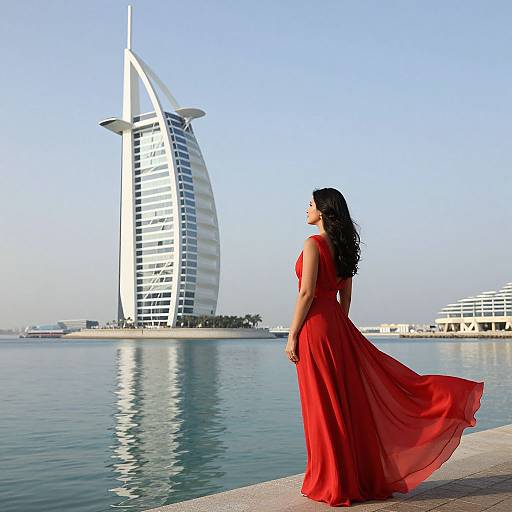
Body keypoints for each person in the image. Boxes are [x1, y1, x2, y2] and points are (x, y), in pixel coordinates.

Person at [285, 187, 484, 507]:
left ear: (322, 211)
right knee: (343, 402)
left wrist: (293, 334)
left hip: (315, 327)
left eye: (310, 204)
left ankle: (329, 479)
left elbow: (306, 293)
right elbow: (344, 298)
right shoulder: (344, 248)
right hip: (336, 326)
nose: (305, 209)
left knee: (322, 404)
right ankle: (344, 477)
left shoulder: (312, 244)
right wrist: (339, 329)